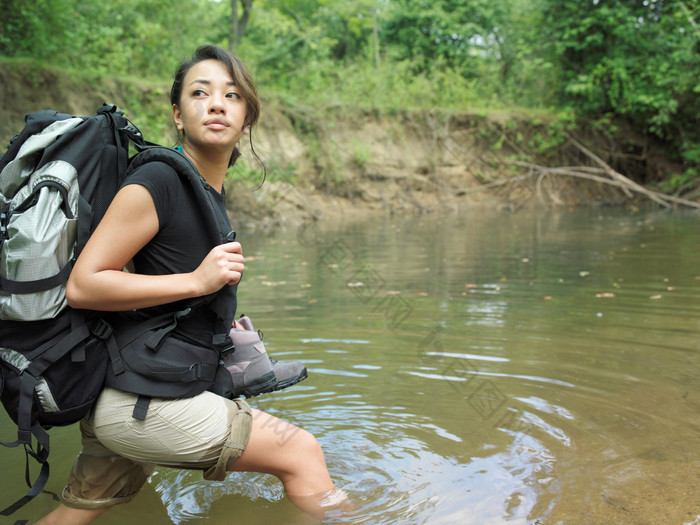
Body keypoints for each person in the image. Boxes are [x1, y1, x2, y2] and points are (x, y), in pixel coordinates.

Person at [36, 44, 348, 524]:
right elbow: (85, 285)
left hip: (128, 388)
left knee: (75, 516)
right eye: (200, 93)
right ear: (178, 115)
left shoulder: (204, 190)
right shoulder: (159, 180)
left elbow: (154, 289)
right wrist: (197, 280)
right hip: (142, 402)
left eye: (232, 95)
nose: (217, 103)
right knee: (301, 453)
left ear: (246, 120)